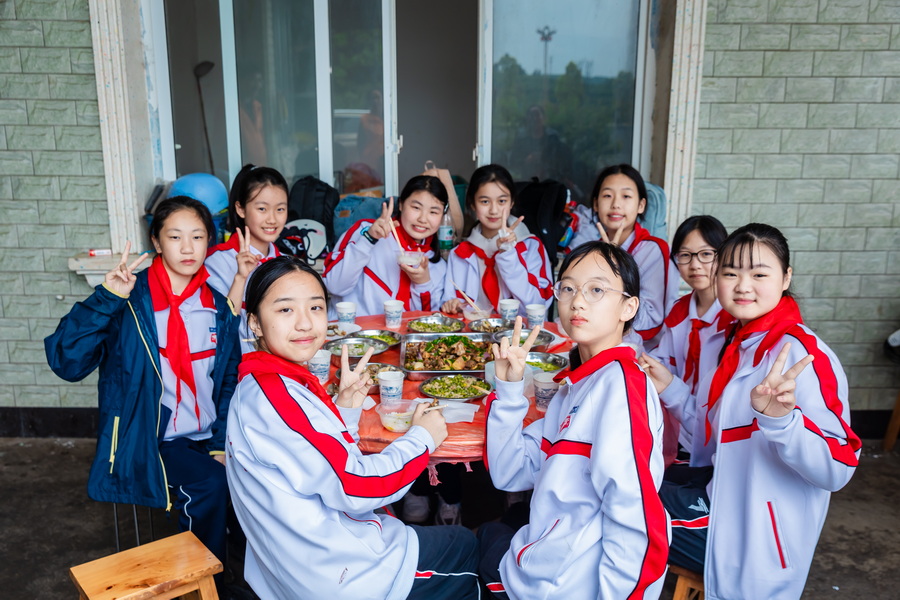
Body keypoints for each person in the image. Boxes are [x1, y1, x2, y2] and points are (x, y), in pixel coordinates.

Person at [225, 256, 479, 600]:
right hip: (342, 575)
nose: (305, 323)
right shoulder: (276, 396)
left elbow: (315, 459)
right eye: (285, 310)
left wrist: (343, 410)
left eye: (315, 307)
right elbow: (356, 486)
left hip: (295, 563)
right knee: (468, 546)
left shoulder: (260, 383)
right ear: (255, 322)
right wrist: (422, 439)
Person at [640, 223, 861, 599]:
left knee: (618, 512)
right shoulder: (733, 341)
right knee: (624, 482)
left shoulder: (804, 355)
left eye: (759, 274)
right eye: (730, 273)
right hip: (722, 491)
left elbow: (837, 468)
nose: (743, 286)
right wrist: (670, 386)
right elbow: (713, 434)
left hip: (756, 537)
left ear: (786, 277)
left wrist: (783, 422)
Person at [45, 196, 241, 564]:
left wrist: (219, 445)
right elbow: (66, 362)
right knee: (211, 484)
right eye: (175, 237)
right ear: (156, 242)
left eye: (198, 237)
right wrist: (107, 298)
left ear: (209, 242)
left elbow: (229, 379)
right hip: (152, 436)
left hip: (207, 435)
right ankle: (206, 582)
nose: (188, 248)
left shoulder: (216, 306)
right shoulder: (129, 302)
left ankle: (232, 574)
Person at [478, 241, 669, 599]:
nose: (577, 301)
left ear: (628, 307)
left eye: (596, 290)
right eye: (567, 288)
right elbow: (509, 473)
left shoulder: (622, 387)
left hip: (566, 583)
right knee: (486, 534)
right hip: (539, 564)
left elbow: (636, 519)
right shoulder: (574, 387)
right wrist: (509, 389)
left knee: (471, 546)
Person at [570, 164, 679, 351]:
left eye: (626, 196)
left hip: (641, 353)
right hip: (596, 345)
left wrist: (614, 264)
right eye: (607, 195)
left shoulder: (654, 250)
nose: (616, 204)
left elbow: (651, 320)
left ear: (641, 205)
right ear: (595, 204)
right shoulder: (592, 251)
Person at [651, 216, 729, 455]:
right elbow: (664, 362)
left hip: (719, 439)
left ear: (724, 255)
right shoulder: (679, 311)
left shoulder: (735, 319)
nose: (695, 265)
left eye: (706, 254)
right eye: (685, 255)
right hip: (679, 431)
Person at [323, 175, 449, 316]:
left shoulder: (437, 265)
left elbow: (428, 321)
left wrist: (422, 283)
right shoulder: (365, 231)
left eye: (433, 212)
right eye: (416, 207)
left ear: (442, 216)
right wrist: (369, 240)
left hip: (399, 331)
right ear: (401, 204)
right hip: (351, 328)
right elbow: (334, 286)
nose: (423, 219)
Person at [440, 164, 553, 318]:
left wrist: (509, 256)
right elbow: (450, 303)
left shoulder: (531, 247)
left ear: (512, 202)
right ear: (472, 204)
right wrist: (453, 305)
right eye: (485, 202)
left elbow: (538, 305)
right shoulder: (459, 254)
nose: (494, 210)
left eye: (501, 201)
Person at [205, 163, 288, 353]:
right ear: (240, 209)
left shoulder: (286, 263)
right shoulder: (216, 262)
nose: (272, 219)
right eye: (262, 209)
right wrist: (240, 278)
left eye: (280, 209)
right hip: (236, 366)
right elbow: (218, 326)